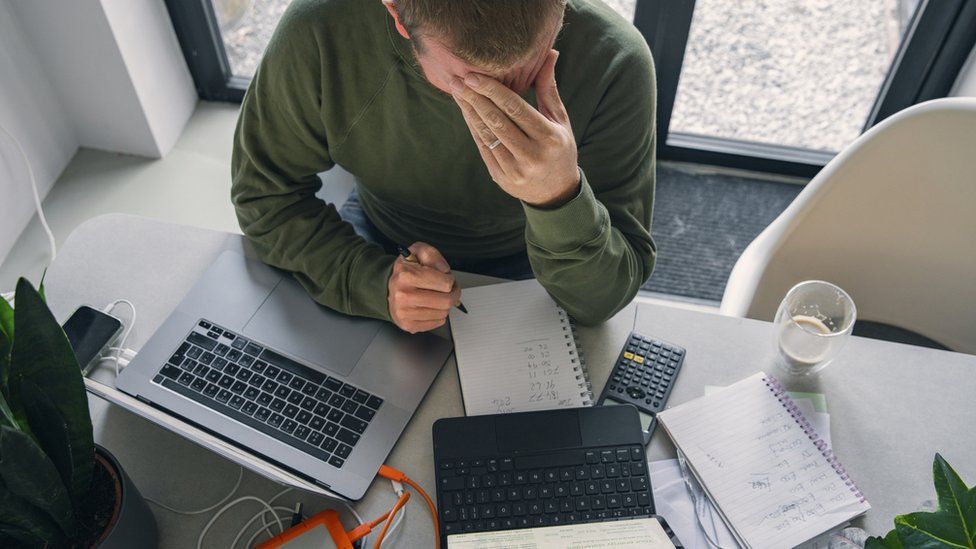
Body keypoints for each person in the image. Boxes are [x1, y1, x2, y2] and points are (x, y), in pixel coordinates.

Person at [232, 0, 657, 333]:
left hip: (535, 262)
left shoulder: (616, 59)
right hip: (378, 238)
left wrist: (560, 196)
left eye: (529, 63)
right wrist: (371, 283)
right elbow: (264, 195)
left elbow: (603, 301)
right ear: (397, 15)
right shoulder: (321, 28)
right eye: (468, 80)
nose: (500, 99)